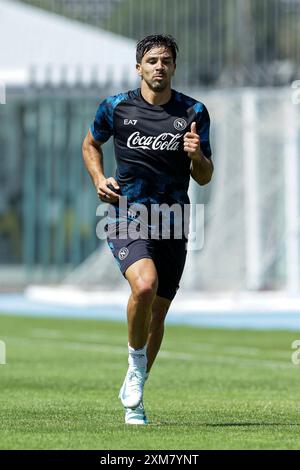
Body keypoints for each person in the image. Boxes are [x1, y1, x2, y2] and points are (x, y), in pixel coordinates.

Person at [82, 34, 213, 425]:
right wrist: (98, 178)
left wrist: (197, 155)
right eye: (152, 60)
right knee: (144, 285)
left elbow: (204, 178)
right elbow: (91, 144)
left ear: (174, 67)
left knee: (157, 315)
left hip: (173, 219)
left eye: (167, 61)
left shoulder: (193, 111)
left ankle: (135, 395)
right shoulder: (116, 107)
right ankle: (135, 369)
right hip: (126, 212)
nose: (160, 66)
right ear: (139, 67)